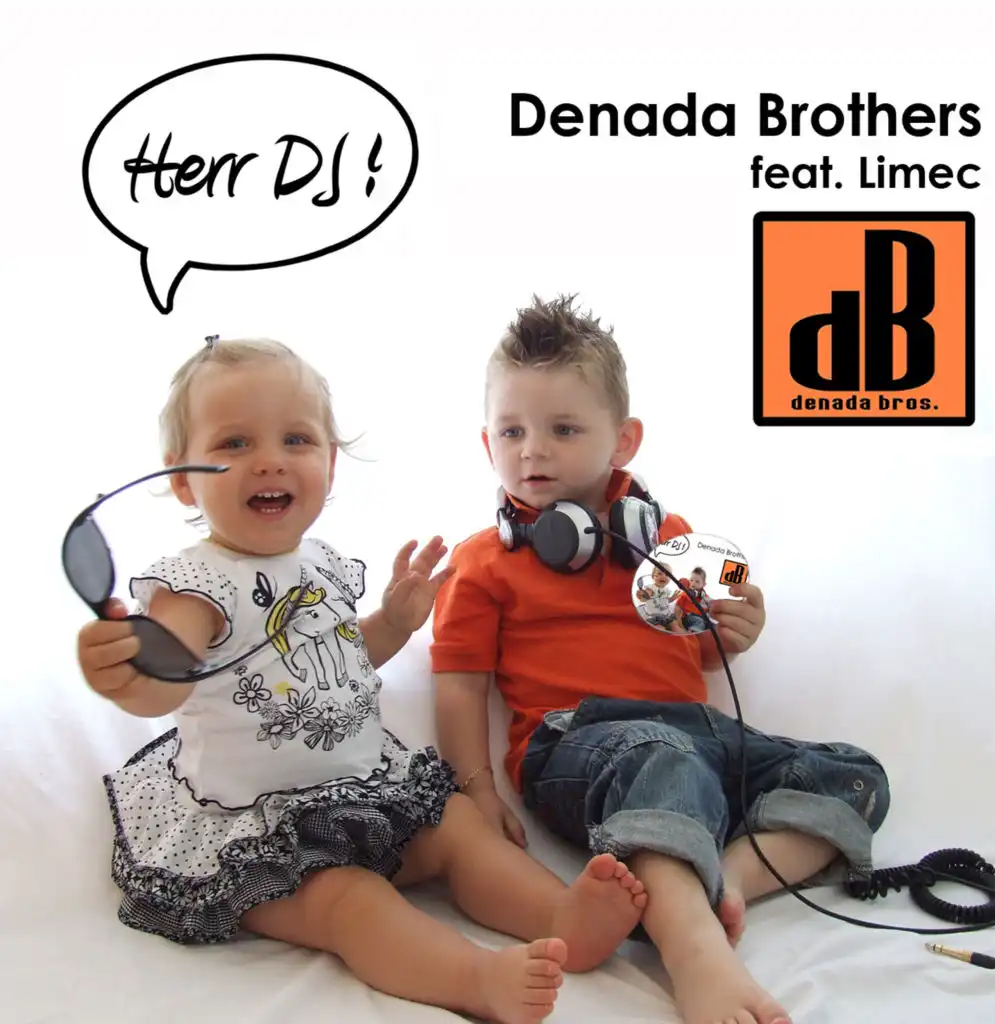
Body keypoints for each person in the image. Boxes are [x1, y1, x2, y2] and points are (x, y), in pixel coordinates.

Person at [75, 337, 649, 1024]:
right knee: (348, 901)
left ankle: (560, 917)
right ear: (181, 478)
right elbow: (165, 682)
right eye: (234, 443)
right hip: (259, 840)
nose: (270, 460)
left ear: (329, 462)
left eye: (296, 439)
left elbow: (342, 657)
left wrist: (394, 623)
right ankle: (474, 979)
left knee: (460, 830)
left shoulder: (320, 564)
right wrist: (126, 674)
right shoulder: (196, 586)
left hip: (364, 796)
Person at [430, 296, 891, 1024]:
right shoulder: (482, 562)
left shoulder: (671, 535)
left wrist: (739, 628)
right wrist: (476, 788)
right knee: (662, 759)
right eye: (511, 431)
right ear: (488, 445)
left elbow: (706, 650)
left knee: (855, 777)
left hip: (695, 734)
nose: (532, 450)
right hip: (577, 738)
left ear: (624, 441)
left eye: (563, 429)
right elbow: (459, 684)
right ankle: (696, 954)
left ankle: (725, 883)